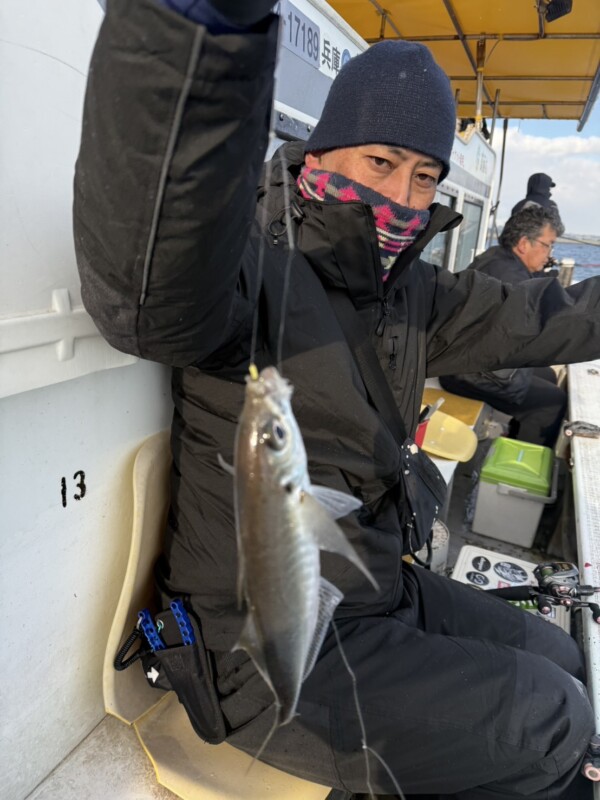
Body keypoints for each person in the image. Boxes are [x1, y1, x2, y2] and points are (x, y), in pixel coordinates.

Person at [73, 1, 600, 797]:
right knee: (553, 717)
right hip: (267, 651)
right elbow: (146, 287)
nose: (406, 197)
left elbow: (546, 317)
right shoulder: (247, 274)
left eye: (425, 176)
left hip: (370, 591)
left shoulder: (414, 292)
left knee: (563, 658)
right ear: (322, 151)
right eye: (381, 162)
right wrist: (195, 31)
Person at [439, 206, 568, 448]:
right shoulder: (512, 279)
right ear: (523, 244)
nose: (549, 254)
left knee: (548, 374)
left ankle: (514, 436)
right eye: (548, 244)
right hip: (467, 373)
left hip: (466, 359)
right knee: (552, 402)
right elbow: (527, 335)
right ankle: (519, 468)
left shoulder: (497, 258)